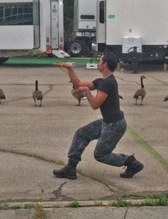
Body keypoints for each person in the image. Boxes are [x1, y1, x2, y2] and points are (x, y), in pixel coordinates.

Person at [52, 52, 144, 180]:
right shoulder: (101, 81)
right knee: (81, 133)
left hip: (115, 125)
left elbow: (95, 104)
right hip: (107, 122)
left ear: (105, 65)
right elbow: (78, 84)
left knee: (101, 155)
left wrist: (87, 92)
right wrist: (70, 68)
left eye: (100, 61)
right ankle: (70, 168)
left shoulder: (108, 83)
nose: (98, 63)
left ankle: (131, 162)